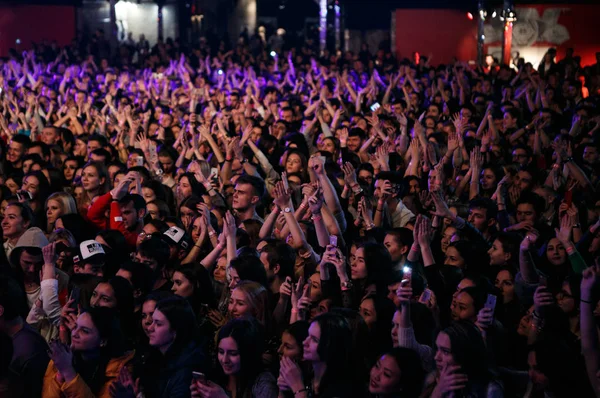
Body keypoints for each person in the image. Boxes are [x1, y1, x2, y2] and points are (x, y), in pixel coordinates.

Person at [42, 307, 134, 397]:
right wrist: (60, 374)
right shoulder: (62, 356)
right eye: (75, 326)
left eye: (84, 331)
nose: (74, 334)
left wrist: (68, 372)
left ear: (102, 341)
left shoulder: (119, 371)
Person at [191, 317, 278, 398]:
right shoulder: (215, 376)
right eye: (221, 352)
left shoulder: (263, 383)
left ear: (247, 353)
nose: (224, 360)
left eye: (233, 353)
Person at [141, 296, 208, 397]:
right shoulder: (157, 359)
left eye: (158, 324)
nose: (150, 328)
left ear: (175, 330)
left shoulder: (186, 371)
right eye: (152, 322)